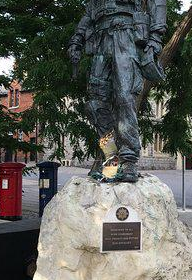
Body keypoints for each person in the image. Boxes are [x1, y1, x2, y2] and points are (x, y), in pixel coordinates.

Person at [67, 0, 167, 182]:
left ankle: (128, 161)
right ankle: (111, 158)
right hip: (100, 40)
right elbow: (89, 14)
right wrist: (77, 39)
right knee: (95, 105)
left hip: (126, 35)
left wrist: (155, 38)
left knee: (124, 97)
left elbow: (157, 3)